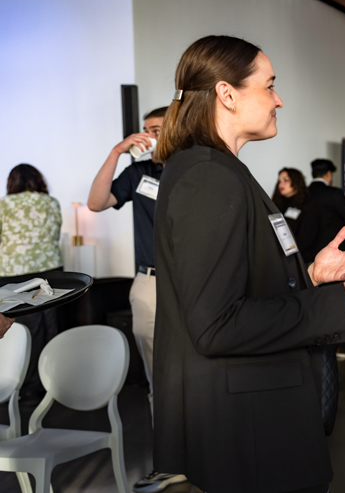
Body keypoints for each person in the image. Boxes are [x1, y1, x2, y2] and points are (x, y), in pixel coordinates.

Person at [151, 35, 345, 493]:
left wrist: (311, 275)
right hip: (248, 434)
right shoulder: (209, 177)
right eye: (269, 85)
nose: (279, 99)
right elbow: (215, 325)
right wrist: (341, 301)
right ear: (226, 94)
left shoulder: (216, 169)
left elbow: (237, 286)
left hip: (252, 423)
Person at [86, 106, 186, 492]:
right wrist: (116, 151)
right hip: (151, 284)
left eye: (156, 129)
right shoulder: (138, 174)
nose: (147, 137)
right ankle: (170, 462)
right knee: (156, 376)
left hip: (193, 284)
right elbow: (96, 203)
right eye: (144, 131)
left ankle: (210, 453)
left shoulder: (195, 169)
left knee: (198, 370)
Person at [0, 164, 63, 395]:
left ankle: (27, 387)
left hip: (15, 271)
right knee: (50, 326)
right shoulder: (51, 202)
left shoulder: (3, 205)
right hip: (50, 270)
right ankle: (53, 383)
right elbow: (55, 234)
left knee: (25, 329)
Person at [308, 158, 345, 256]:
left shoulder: (303, 193)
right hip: (333, 249)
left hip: (308, 250)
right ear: (328, 174)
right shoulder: (334, 193)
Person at [272, 167, 319, 262]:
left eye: (286, 180)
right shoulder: (275, 205)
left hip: (299, 259)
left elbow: (305, 239)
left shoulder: (308, 206)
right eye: (279, 181)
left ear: (296, 182)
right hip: (276, 257)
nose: (281, 184)